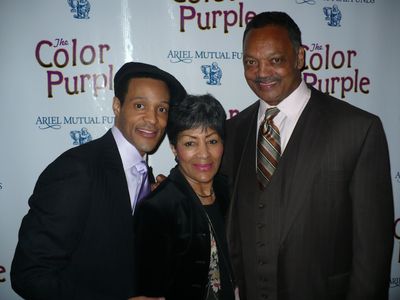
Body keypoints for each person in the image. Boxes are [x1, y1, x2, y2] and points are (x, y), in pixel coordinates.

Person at [220, 11, 394, 300]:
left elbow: (372, 255)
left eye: (275, 60)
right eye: (251, 62)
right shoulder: (232, 131)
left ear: (299, 57)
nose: (262, 72)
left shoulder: (357, 129)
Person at [10, 62, 186, 300]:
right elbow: (29, 274)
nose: (153, 120)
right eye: (140, 105)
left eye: (162, 109)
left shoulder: (147, 176)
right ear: (117, 106)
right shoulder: (77, 170)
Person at [130, 94, 236, 300]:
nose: (204, 154)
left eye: (212, 141)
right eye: (190, 143)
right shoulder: (157, 209)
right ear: (174, 149)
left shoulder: (231, 189)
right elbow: (149, 290)